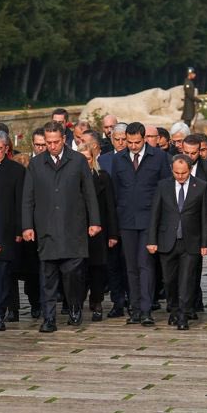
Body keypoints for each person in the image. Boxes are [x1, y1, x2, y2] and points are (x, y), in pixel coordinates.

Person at [21, 121, 102, 332]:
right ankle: (49, 319)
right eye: (48, 142)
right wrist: (27, 225)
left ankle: (75, 306)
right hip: (46, 227)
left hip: (73, 227)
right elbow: (28, 198)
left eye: (56, 142)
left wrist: (94, 221)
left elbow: (89, 193)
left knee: (73, 275)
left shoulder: (77, 161)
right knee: (47, 277)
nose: (52, 146)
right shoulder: (36, 164)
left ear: (64, 139)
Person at [108, 121, 169, 326]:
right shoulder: (119, 159)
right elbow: (115, 191)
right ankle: (134, 309)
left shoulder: (159, 157)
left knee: (145, 265)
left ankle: (145, 310)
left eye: (136, 142)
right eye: (129, 142)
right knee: (131, 266)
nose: (133, 146)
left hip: (150, 220)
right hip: (126, 220)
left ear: (144, 139)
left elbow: (165, 189)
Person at [147, 153, 206, 330]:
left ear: (190, 170)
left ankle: (183, 315)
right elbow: (155, 215)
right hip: (167, 241)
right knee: (169, 280)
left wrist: (205, 243)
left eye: (183, 173)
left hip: (191, 241)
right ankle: (173, 309)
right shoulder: (163, 185)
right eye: (176, 173)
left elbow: (205, 217)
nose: (180, 176)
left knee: (187, 280)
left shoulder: (201, 186)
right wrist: (152, 240)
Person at [78, 133, 122, 321]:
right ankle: (76, 303)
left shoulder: (102, 177)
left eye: (88, 158)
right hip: (77, 231)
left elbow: (110, 207)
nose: (85, 162)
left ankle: (96, 302)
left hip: (98, 232)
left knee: (97, 270)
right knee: (79, 271)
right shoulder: (72, 179)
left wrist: (113, 233)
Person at [0, 131, 26, 332]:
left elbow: (21, 202)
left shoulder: (16, 171)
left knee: (3, 275)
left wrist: (20, 229)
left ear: (6, 149)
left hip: (7, 231)